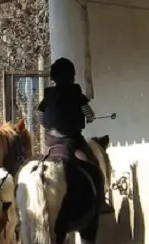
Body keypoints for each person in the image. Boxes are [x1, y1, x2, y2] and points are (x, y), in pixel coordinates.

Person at [38, 58, 108, 213]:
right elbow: (88, 114)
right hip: (73, 141)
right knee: (94, 167)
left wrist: (48, 125)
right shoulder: (76, 92)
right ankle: (101, 202)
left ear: (53, 77)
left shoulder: (48, 94)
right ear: (72, 76)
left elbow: (41, 116)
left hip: (50, 143)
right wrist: (89, 119)